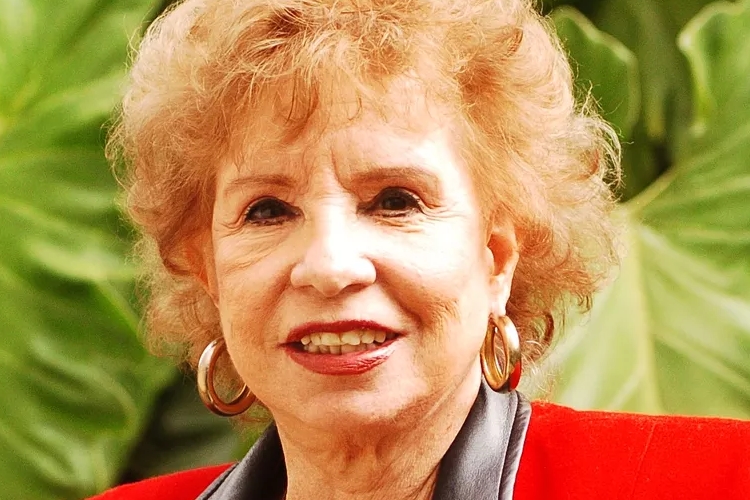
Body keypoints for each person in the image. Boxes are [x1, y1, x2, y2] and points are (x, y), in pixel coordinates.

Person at [93, 0, 750, 498]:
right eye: (267, 210)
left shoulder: (715, 481)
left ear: (497, 256)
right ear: (207, 268)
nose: (330, 266)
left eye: (394, 201)